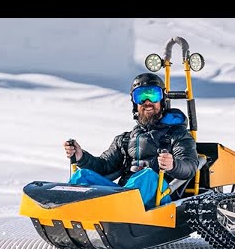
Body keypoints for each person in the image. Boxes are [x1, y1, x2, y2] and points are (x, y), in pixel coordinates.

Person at [63, 72, 199, 209]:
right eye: (140, 96)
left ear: (162, 100)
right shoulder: (125, 140)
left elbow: (190, 166)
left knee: (147, 176)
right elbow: (104, 167)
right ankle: (69, 213)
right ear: (134, 102)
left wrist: (173, 164)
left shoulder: (178, 134)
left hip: (159, 197)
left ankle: (113, 210)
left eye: (153, 95)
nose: (147, 102)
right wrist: (81, 157)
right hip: (124, 196)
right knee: (82, 175)